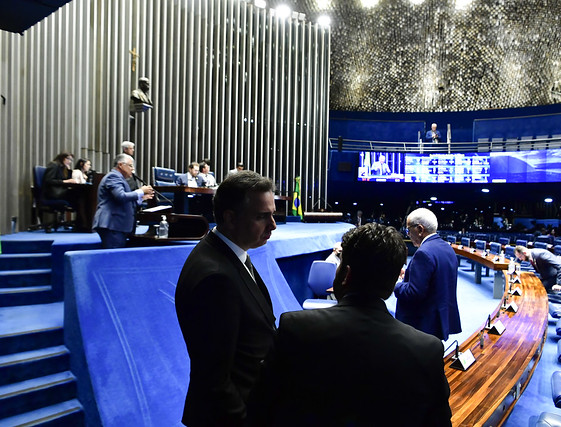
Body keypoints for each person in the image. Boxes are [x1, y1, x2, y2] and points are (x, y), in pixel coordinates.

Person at [249, 223, 452, 426]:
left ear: (346, 274)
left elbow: (260, 408)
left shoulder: (295, 328)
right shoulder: (427, 350)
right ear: (392, 283)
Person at [175, 171, 277, 426]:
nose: (273, 225)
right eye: (262, 216)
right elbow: (214, 379)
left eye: (273, 214)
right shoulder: (216, 278)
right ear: (230, 218)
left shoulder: (229, 254)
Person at [394, 208, 461, 341]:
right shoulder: (446, 247)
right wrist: (410, 274)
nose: (408, 234)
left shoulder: (423, 253)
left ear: (420, 229)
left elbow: (413, 293)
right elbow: (436, 277)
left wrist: (395, 284)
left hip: (423, 324)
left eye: (408, 230)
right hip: (439, 318)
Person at [92, 154, 154, 248]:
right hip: (112, 224)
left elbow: (121, 200)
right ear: (120, 165)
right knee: (114, 254)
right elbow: (120, 196)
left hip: (117, 225)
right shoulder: (113, 176)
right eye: (130, 166)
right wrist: (141, 191)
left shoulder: (120, 179)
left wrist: (140, 198)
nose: (133, 169)